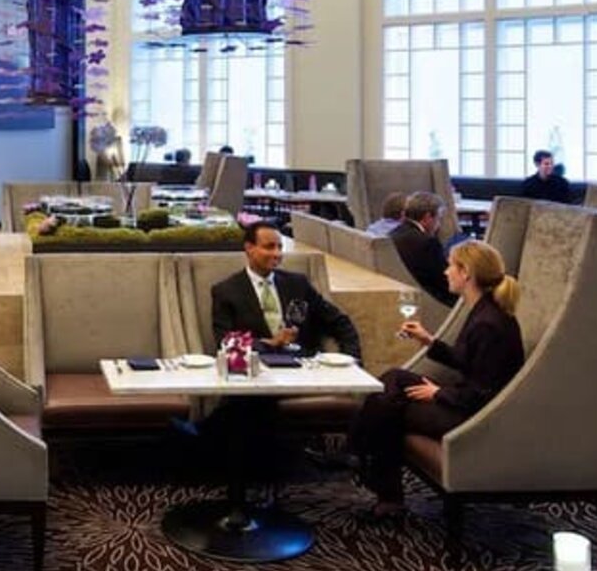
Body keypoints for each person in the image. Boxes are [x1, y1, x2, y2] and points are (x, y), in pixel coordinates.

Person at [344, 240, 524, 517]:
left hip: (475, 416)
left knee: (390, 405)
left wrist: (439, 394)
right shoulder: (482, 311)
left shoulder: (489, 322)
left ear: (466, 273)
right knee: (394, 380)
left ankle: (369, 468)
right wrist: (429, 341)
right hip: (466, 401)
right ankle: (364, 463)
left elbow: (486, 392)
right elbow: (469, 361)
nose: (445, 272)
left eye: (451, 265)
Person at [211, 221, 362, 359]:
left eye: (280, 247)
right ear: (249, 248)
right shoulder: (226, 291)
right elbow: (225, 341)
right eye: (269, 247)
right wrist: (268, 343)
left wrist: (352, 360)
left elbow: (339, 322)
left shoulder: (298, 284)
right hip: (256, 369)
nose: (277, 254)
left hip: (302, 367)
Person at [392, 191, 457, 307]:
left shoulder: (392, 234)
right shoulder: (427, 243)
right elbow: (444, 281)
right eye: (439, 218)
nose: (439, 224)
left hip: (403, 295)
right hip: (431, 302)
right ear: (427, 217)